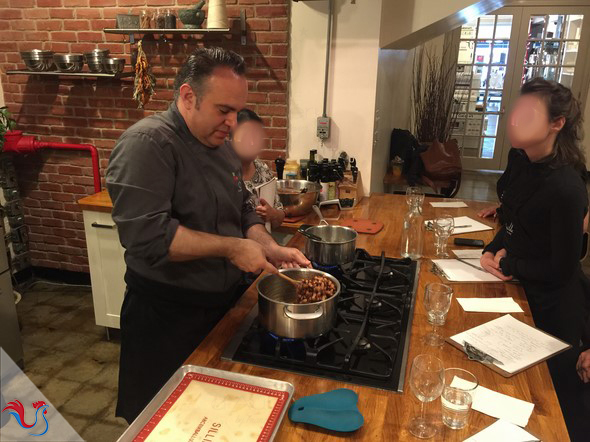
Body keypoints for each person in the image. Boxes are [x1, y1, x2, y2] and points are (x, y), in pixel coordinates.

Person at [106, 47, 310, 424]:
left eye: (237, 111)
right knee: (167, 424)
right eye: (223, 110)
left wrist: (268, 245)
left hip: (220, 310)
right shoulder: (147, 145)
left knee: (215, 423)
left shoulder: (221, 146)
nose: (233, 122)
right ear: (188, 96)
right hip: (168, 320)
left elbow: (244, 209)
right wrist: (233, 248)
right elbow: (148, 238)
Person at [479, 78, 589, 440]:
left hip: (552, 309)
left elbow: (563, 268)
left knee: (541, 409)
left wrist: (510, 265)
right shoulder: (519, 158)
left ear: (557, 124)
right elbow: (510, 217)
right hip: (518, 287)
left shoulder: (566, 187)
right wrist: (491, 249)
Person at [231, 108, 285, 229]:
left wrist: (272, 214)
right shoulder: (224, 172)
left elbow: (280, 216)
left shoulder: (262, 169)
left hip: (264, 244)